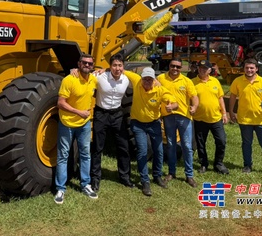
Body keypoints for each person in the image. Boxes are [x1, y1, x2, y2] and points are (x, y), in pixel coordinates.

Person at [124, 66, 177, 197]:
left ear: (154, 80)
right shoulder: (137, 82)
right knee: (143, 150)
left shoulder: (160, 90)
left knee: (158, 151)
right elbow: (122, 70)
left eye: (150, 79)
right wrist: (104, 70)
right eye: (145, 79)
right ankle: (145, 181)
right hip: (138, 124)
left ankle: (157, 176)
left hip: (154, 124)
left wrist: (171, 106)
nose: (147, 82)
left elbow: (174, 101)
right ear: (141, 78)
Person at [54, 54, 99, 204]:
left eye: (90, 63)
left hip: (84, 124)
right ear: (79, 64)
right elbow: (60, 103)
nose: (87, 65)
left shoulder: (93, 79)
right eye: (84, 63)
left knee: (85, 154)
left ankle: (86, 184)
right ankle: (61, 188)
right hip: (67, 123)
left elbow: (109, 72)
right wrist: (78, 112)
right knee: (63, 155)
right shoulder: (69, 79)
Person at [228, 58, 262, 178]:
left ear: (256, 69)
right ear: (244, 69)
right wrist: (231, 111)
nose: (249, 70)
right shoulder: (238, 81)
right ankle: (247, 165)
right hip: (245, 119)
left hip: (261, 120)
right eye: (247, 68)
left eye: (252, 68)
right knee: (246, 143)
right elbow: (232, 96)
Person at [90, 53, 133, 192]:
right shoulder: (100, 77)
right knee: (97, 147)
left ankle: (125, 176)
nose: (117, 68)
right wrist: (74, 71)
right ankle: (95, 178)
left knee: (123, 146)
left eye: (120, 65)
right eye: (114, 65)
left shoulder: (126, 79)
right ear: (110, 66)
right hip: (101, 114)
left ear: (123, 67)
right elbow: (84, 75)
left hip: (117, 115)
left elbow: (140, 79)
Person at [158, 57, 199, 187]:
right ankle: (171, 172)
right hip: (168, 117)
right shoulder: (160, 79)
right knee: (170, 144)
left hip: (184, 116)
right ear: (169, 66)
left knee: (187, 145)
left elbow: (194, 97)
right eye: (172, 66)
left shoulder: (186, 81)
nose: (175, 69)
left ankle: (189, 175)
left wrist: (194, 107)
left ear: (181, 68)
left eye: (178, 67)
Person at [192, 60, 229, 175]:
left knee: (221, 141)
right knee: (201, 143)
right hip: (199, 119)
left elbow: (220, 98)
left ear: (210, 70)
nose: (202, 70)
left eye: (205, 68)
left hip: (216, 118)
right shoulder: (192, 82)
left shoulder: (215, 81)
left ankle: (218, 163)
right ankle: (204, 164)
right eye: (200, 67)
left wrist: (224, 113)